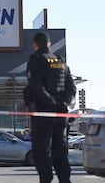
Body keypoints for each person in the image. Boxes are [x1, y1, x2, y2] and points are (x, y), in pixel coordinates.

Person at [25, 31, 76, 183]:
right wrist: (63, 104)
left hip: (43, 113)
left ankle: (46, 180)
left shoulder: (36, 60)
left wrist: (51, 104)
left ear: (35, 45)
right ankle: (65, 180)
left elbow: (36, 87)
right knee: (59, 150)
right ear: (49, 44)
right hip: (61, 116)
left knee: (41, 151)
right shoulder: (61, 61)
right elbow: (71, 88)